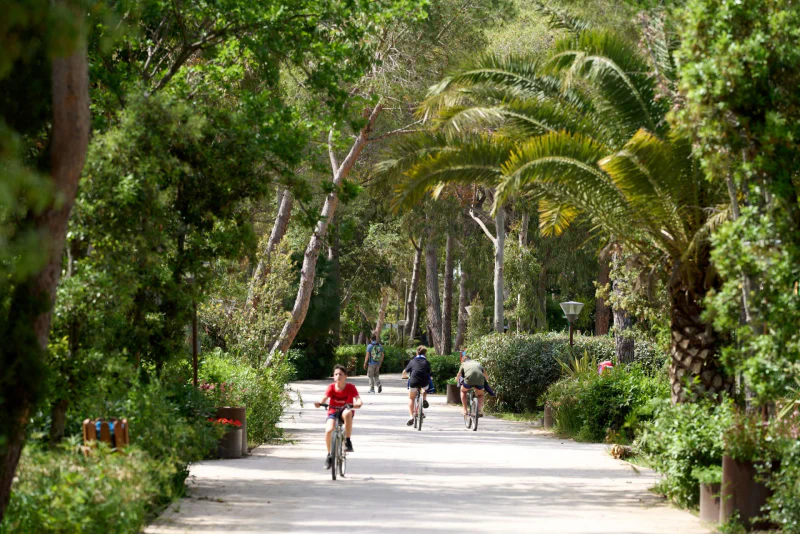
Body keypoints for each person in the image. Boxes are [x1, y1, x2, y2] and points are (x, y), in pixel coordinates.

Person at [315, 364, 363, 470]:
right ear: (333, 376)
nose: (338, 376)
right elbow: (324, 398)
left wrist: (357, 403)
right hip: (333, 411)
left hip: (345, 411)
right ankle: (329, 455)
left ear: (345, 376)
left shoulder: (351, 387)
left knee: (347, 413)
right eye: (336, 374)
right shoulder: (331, 387)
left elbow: (358, 399)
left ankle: (348, 440)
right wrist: (319, 403)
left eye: (340, 374)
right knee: (329, 430)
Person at [401, 345, 432, 426]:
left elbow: (404, 372)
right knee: (425, 386)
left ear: (416, 353)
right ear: (425, 354)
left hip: (414, 381)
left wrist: (405, 377)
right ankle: (424, 399)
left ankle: (411, 417)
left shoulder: (412, 361)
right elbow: (429, 374)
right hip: (424, 381)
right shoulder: (427, 362)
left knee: (411, 398)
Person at [456, 350, 492, 417]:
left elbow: (459, 374)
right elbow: (485, 374)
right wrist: (486, 379)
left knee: (463, 391)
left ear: (463, 360)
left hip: (468, 380)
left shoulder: (463, 364)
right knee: (480, 395)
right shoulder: (477, 363)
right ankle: (479, 410)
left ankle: (465, 410)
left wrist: (456, 379)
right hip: (480, 380)